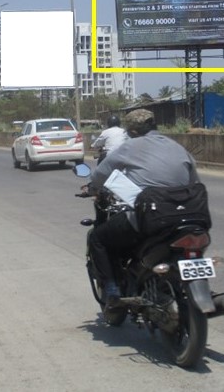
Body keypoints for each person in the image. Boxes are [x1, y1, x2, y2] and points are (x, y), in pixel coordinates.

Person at [87, 109, 200, 308]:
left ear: (132, 132)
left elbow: (100, 174)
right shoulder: (178, 148)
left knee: (98, 238)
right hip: (190, 217)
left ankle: (112, 290)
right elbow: (194, 181)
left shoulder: (130, 146)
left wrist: (94, 188)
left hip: (151, 218)